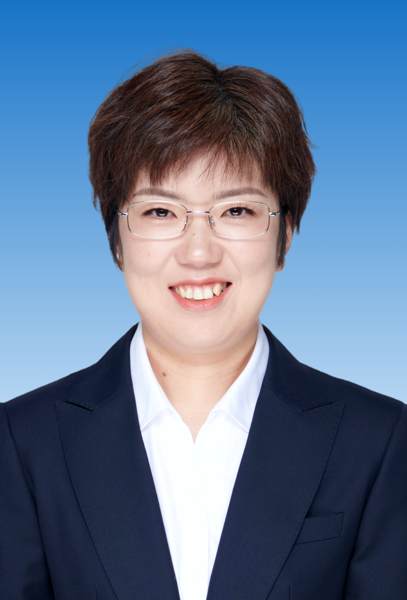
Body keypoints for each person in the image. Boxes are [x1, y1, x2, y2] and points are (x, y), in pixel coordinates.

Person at [1, 50, 406, 600]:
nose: (198, 252)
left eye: (236, 211)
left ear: (285, 237)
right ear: (116, 241)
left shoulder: (377, 441)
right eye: (160, 212)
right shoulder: (24, 443)